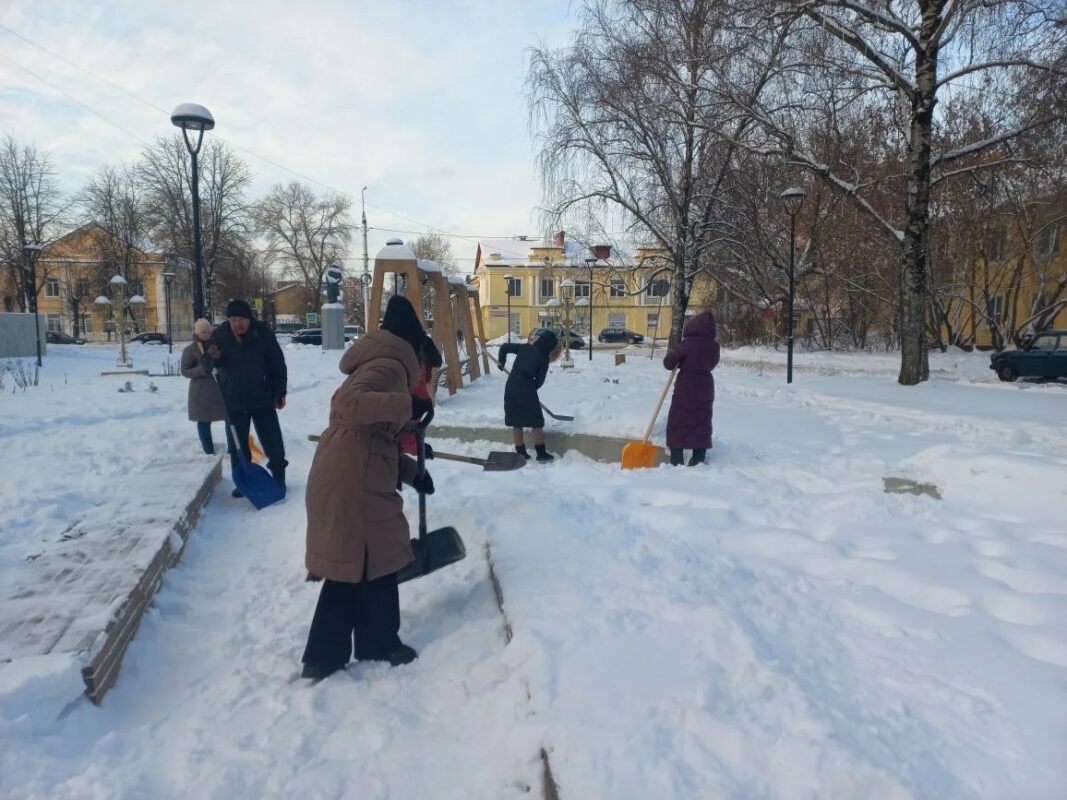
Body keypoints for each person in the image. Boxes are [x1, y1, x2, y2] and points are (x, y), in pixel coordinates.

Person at [301, 295, 435, 681]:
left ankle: (326, 654)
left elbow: (378, 436)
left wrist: (413, 474)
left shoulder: (380, 359)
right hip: (354, 476)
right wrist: (406, 404)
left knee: (361, 563)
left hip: (351, 469)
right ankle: (376, 643)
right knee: (379, 557)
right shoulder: (392, 364)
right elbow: (349, 406)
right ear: (414, 345)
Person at [202, 299, 288, 496]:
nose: (237, 324)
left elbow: (278, 365)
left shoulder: (263, 334)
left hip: (262, 397)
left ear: (249, 319)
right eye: (233, 320)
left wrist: (280, 391)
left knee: (272, 440)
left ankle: (279, 477)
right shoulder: (220, 335)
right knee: (237, 445)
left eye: (241, 319)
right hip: (233, 400)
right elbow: (207, 363)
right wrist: (209, 358)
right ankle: (244, 480)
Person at [662, 311, 720, 466]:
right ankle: (698, 459)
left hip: (686, 386)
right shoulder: (714, 346)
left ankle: (677, 460)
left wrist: (680, 358)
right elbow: (712, 364)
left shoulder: (687, 343)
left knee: (678, 421)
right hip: (705, 386)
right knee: (701, 420)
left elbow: (668, 363)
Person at [498, 330, 559, 462]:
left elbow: (504, 348)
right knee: (537, 422)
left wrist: (501, 362)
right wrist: (530, 388)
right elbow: (539, 381)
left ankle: (520, 452)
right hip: (526, 386)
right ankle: (541, 453)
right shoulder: (544, 358)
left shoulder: (525, 347)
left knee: (516, 421)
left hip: (511, 384)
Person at [180, 319, 226, 454]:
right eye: (202, 332)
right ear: (197, 333)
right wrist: (203, 368)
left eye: (208, 331)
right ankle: (208, 450)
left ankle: (233, 448)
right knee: (204, 421)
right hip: (201, 392)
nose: (206, 334)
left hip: (220, 389)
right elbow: (185, 371)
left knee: (230, 418)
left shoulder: (218, 346)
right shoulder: (190, 350)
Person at [400, 334, 443, 460]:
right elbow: (408, 431)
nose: (435, 377)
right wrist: (419, 448)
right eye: (435, 371)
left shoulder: (402, 371)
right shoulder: (417, 386)